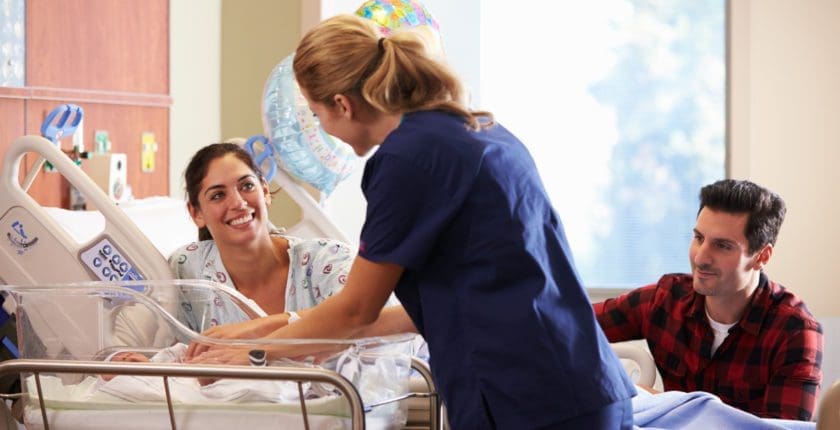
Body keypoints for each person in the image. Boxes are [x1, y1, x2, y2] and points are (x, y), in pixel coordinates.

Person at [189, 14, 636, 429]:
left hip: (529, 397)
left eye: (317, 113)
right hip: (576, 382)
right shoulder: (478, 129)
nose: (323, 129)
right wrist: (271, 330)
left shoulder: (409, 159)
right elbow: (424, 310)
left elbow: (355, 310)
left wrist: (251, 354)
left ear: (342, 105)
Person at [593, 179, 823, 421]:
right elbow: (566, 327)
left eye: (722, 246)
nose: (701, 258)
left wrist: (661, 401)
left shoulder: (795, 332)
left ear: (761, 256)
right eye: (699, 238)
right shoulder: (664, 299)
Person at [170, 142, 412, 341]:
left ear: (265, 191)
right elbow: (177, 354)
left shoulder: (327, 262)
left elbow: (378, 326)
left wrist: (263, 329)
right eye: (218, 195)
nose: (238, 203)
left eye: (246, 186)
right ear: (196, 213)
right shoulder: (188, 270)